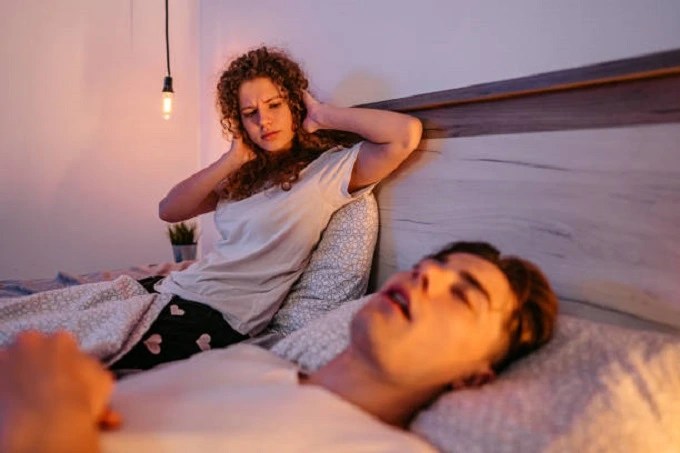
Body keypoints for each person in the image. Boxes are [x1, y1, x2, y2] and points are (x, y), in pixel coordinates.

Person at [0, 241, 558, 452]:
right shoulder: (250, 362)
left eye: (463, 295)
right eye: (427, 265)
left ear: (474, 374)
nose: (425, 276)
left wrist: (46, 421)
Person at [109, 45, 422, 370]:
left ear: (294, 103)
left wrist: (322, 116)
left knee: (91, 355)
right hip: (174, 289)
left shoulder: (324, 173)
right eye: (250, 114)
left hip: (217, 315)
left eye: (274, 105)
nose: (264, 121)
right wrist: (231, 159)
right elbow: (169, 210)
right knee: (73, 324)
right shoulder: (244, 177)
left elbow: (405, 135)